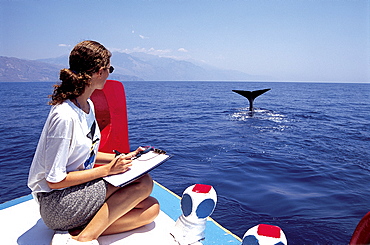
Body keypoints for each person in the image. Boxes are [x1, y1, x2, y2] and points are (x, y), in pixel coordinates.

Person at [28, 40, 159, 245]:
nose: (109, 74)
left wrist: (122, 157)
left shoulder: (87, 105)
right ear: (99, 72)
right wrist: (107, 171)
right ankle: (86, 238)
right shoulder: (64, 116)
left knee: (150, 209)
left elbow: (86, 153)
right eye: (110, 69)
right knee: (144, 182)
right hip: (57, 203)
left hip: (76, 193)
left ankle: (79, 229)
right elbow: (54, 180)